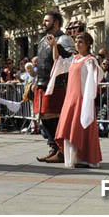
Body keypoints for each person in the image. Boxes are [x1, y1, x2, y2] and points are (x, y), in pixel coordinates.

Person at [49, 31, 103, 168]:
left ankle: (86, 158)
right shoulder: (74, 58)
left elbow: (98, 76)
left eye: (81, 42)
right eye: (77, 42)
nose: (78, 45)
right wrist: (54, 46)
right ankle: (73, 159)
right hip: (71, 98)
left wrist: (88, 96)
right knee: (69, 128)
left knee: (80, 127)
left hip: (82, 97)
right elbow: (59, 63)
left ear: (88, 44)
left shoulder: (90, 60)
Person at [32, 11, 74, 163]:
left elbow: (70, 59)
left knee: (54, 116)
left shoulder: (64, 39)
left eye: (47, 21)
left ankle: (62, 150)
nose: (44, 23)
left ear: (56, 23)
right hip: (43, 83)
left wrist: (56, 46)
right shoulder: (43, 39)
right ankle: (54, 147)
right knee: (43, 116)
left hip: (56, 84)